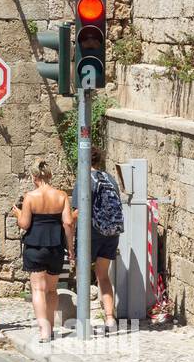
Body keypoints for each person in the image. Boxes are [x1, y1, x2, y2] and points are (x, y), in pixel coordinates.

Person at [12, 158, 75, 343]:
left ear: (34, 176)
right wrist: (70, 248)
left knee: (38, 289)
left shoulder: (30, 197)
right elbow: (68, 223)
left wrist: (18, 214)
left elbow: (24, 224)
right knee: (52, 290)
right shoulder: (62, 196)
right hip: (56, 247)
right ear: (49, 175)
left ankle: (44, 332)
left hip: (34, 246)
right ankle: (52, 327)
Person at [72, 146, 124, 333]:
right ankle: (110, 319)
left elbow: (78, 211)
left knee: (82, 276)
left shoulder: (84, 180)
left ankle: (83, 321)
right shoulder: (110, 178)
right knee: (103, 276)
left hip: (90, 234)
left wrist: (68, 222)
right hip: (111, 233)